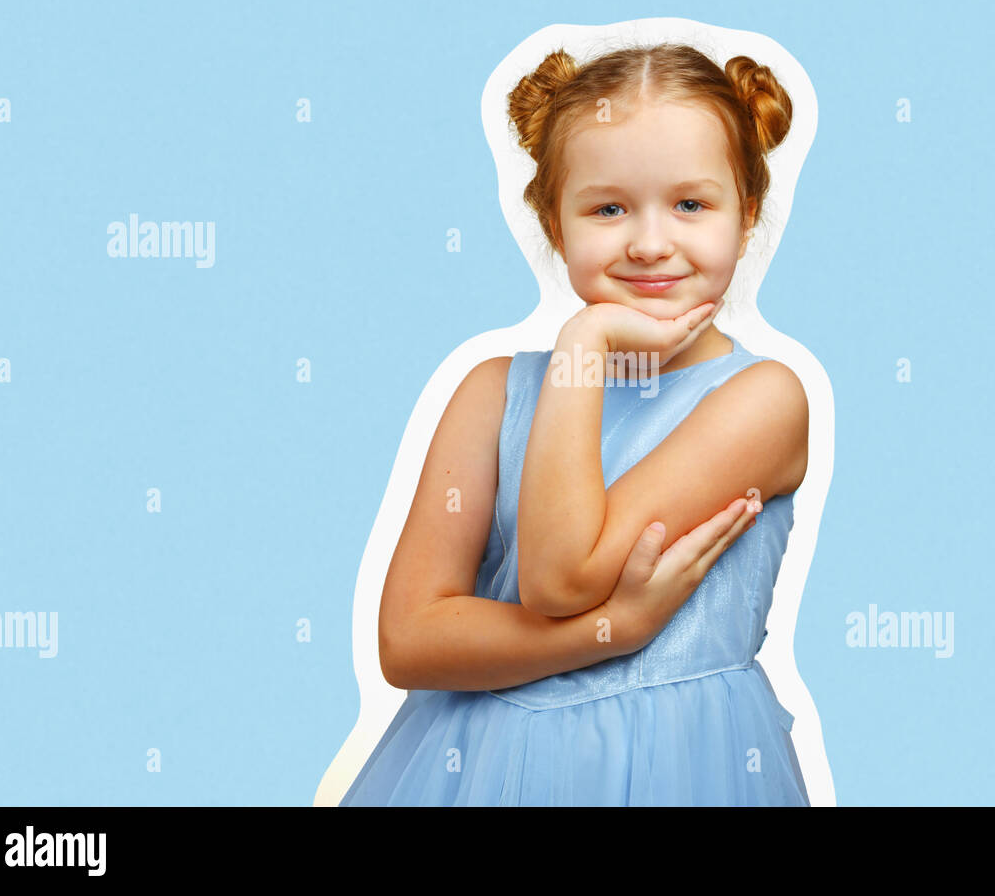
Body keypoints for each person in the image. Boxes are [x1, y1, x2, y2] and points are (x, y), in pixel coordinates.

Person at [341, 42, 809, 805]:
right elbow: (408, 641)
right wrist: (611, 632)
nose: (649, 242)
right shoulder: (492, 392)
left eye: (691, 204)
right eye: (607, 208)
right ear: (556, 225)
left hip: (687, 769)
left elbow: (562, 576)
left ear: (747, 213)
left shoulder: (763, 400)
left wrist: (583, 342)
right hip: (480, 769)